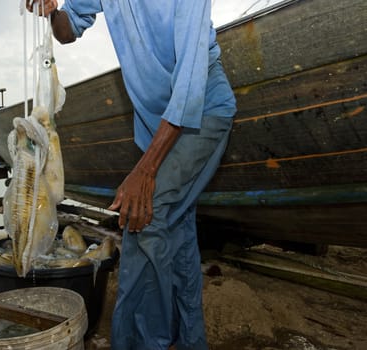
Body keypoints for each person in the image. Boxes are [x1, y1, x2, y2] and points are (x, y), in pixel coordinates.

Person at [28, 1, 236, 349]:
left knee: (143, 217)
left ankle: (140, 343)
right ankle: (189, 341)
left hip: (201, 112)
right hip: (157, 128)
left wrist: (146, 171)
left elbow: (190, 79)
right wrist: (51, 8)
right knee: (178, 233)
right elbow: (66, 31)